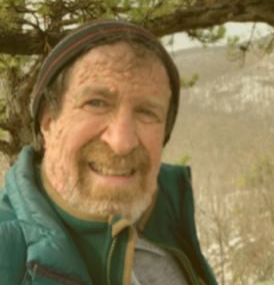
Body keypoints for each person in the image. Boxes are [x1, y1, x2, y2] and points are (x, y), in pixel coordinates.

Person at [0, 20, 217, 285]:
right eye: (96, 103)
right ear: (48, 121)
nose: (122, 142)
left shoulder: (169, 216)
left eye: (147, 112)